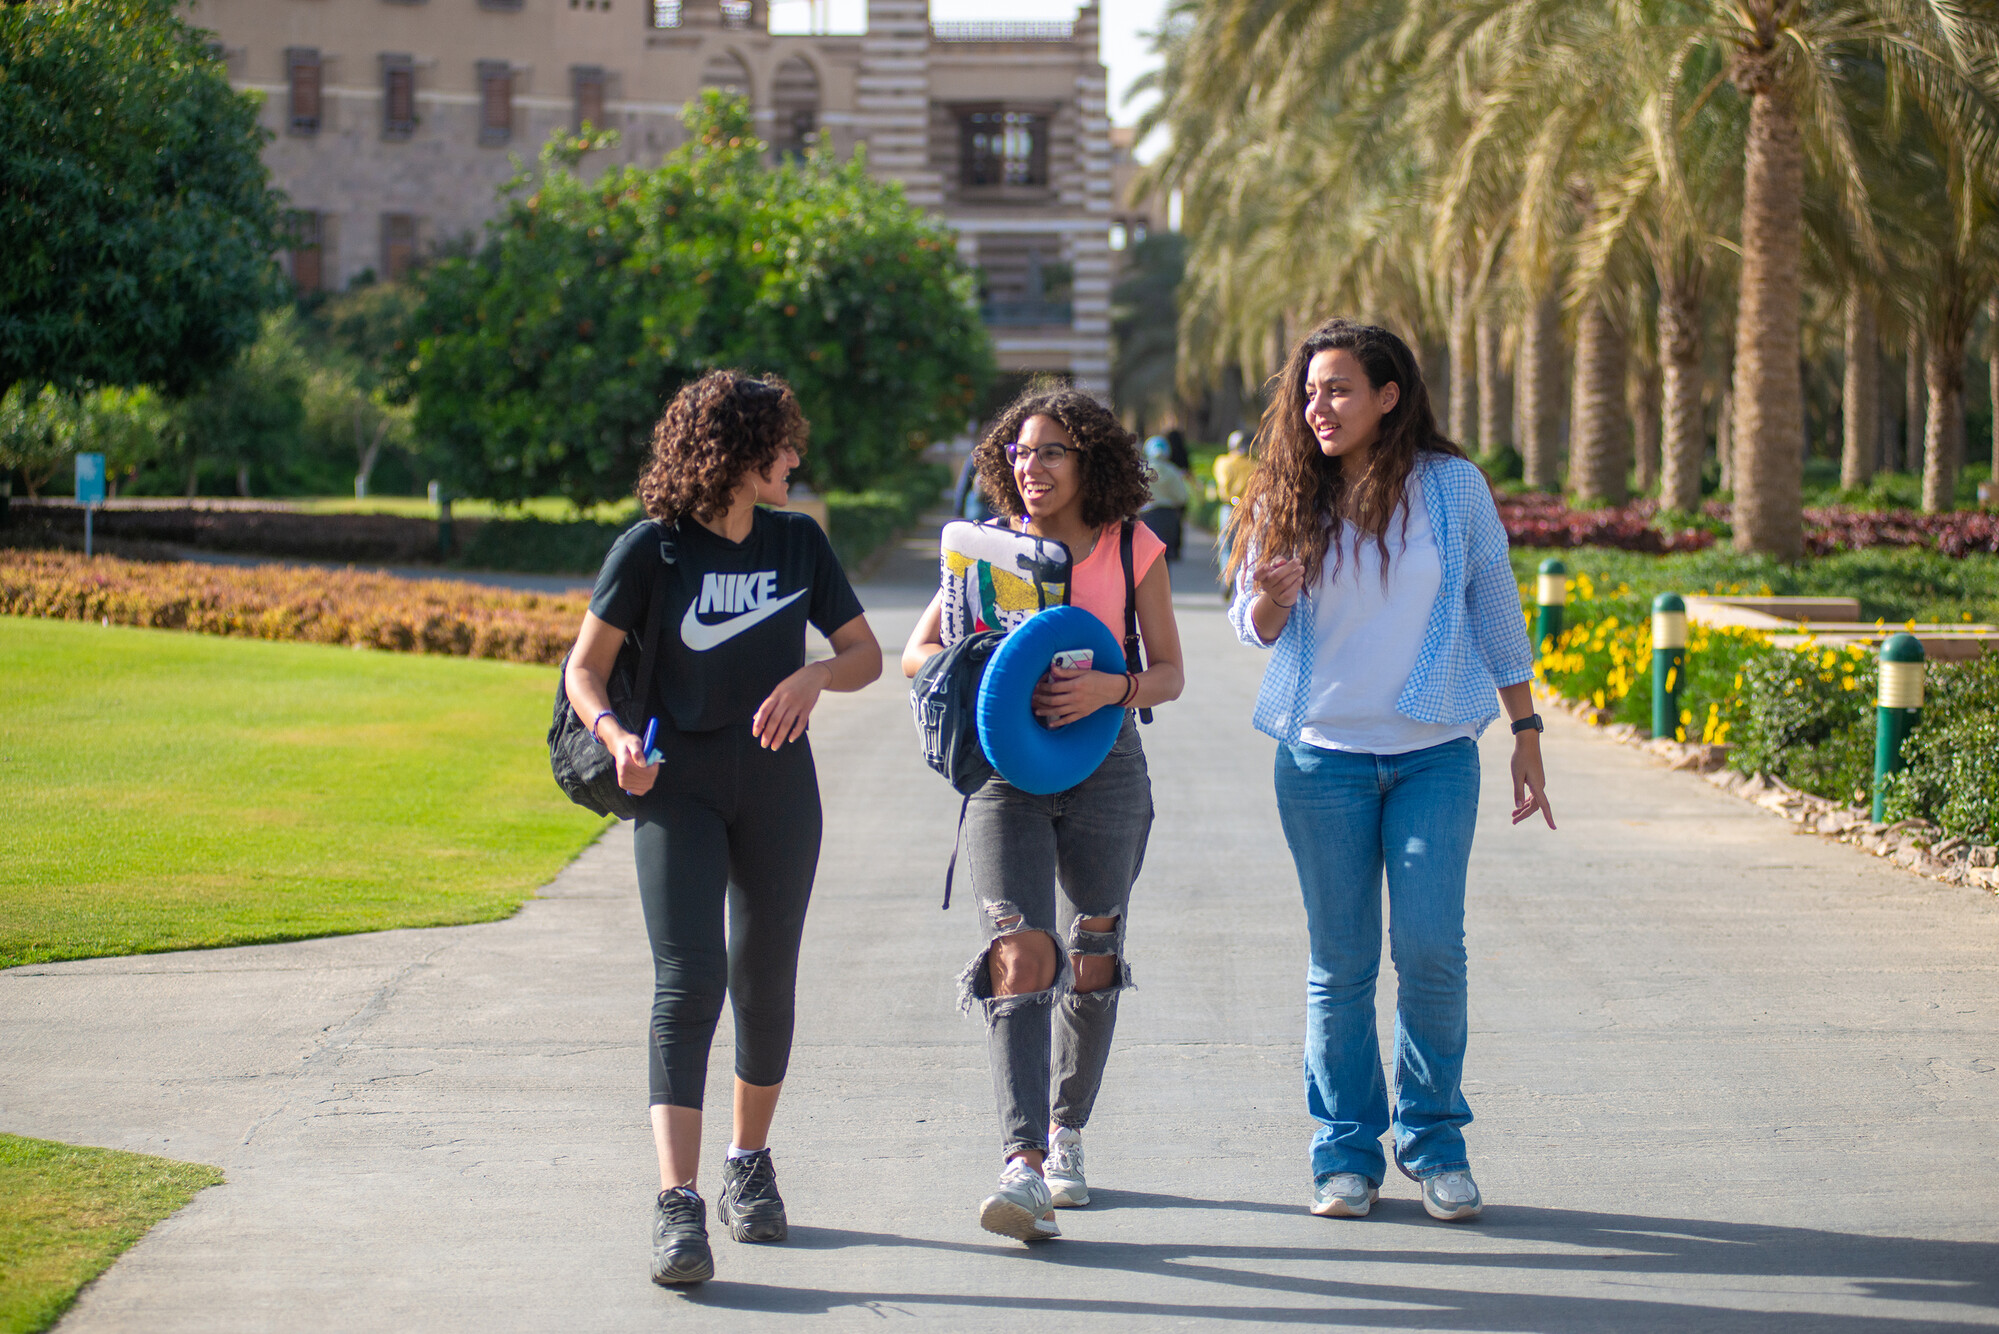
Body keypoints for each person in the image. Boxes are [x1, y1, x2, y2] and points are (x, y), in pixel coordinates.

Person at [1225, 318, 1554, 1225]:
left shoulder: (1451, 489)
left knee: (1430, 952)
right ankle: (1343, 1154)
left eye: (1335, 389)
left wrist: (1524, 726)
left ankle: (1435, 1142)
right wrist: (1265, 598)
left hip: (1433, 755)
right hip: (1319, 757)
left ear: (1387, 395)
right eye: (1307, 391)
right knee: (1341, 964)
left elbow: (1493, 599)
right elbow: (1246, 626)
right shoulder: (1286, 489)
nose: (1315, 407)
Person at [562, 371, 884, 1286]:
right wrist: (614, 735)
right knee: (689, 977)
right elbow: (584, 670)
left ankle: (749, 1164)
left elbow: (863, 653)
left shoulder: (797, 543)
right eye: (781, 441)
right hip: (677, 786)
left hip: (780, 786)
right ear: (735, 453)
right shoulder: (651, 552)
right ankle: (677, 1202)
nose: (796, 456)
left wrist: (813, 677)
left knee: (764, 973)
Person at [902, 387, 1185, 1244]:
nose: (1033, 467)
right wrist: (977, 662)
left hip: (1105, 767)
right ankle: (1019, 1162)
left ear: (1088, 459)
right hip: (1003, 768)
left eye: (1053, 451)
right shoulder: (985, 553)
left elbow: (1169, 673)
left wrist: (1111, 687)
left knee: (1092, 949)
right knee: (1020, 947)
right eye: (1022, 453)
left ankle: (1067, 1136)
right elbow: (914, 653)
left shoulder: (1132, 546)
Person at [1213, 428, 1256, 596]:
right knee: (1244, 546)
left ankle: (1227, 576)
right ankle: (1240, 580)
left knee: (1225, 545)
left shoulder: (1223, 462)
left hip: (1228, 507)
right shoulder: (1254, 464)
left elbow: (1223, 486)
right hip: (1248, 509)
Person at [1138, 435, 1189, 562]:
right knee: (1164, 559)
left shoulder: (1141, 470)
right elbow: (1182, 497)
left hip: (1146, 516)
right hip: (1168, 517)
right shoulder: (1173, 471)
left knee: (1145, 559)